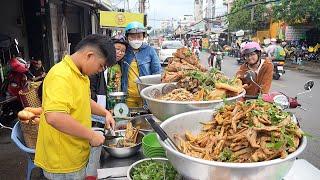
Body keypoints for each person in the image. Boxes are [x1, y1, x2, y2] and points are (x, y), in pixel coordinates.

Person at [35, 34, 116, 180]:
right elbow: (54, 117)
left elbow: (84, 100)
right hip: (62, 162)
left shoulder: (81, 75)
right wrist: (91, 135)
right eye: (101, 66)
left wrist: (105, 113)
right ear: (89, 55)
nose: (100, 71)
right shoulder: (60, 75)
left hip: (76, 152)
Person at [122, 21, 161, 108]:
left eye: (139, 36)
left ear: (143, 37)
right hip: (128, 97)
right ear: (127, 37)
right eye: (132, 36)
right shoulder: (124, 51)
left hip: (145, 96)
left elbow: (157, 73)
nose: (136, 39)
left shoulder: (150, 50)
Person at [90, 35, 128, 124]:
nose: (120, 53)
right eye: (117, 49)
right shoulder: (101, 64)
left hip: (115, 103)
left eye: (123, 51)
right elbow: (92, 84)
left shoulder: (120, 65)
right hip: (100, 104)